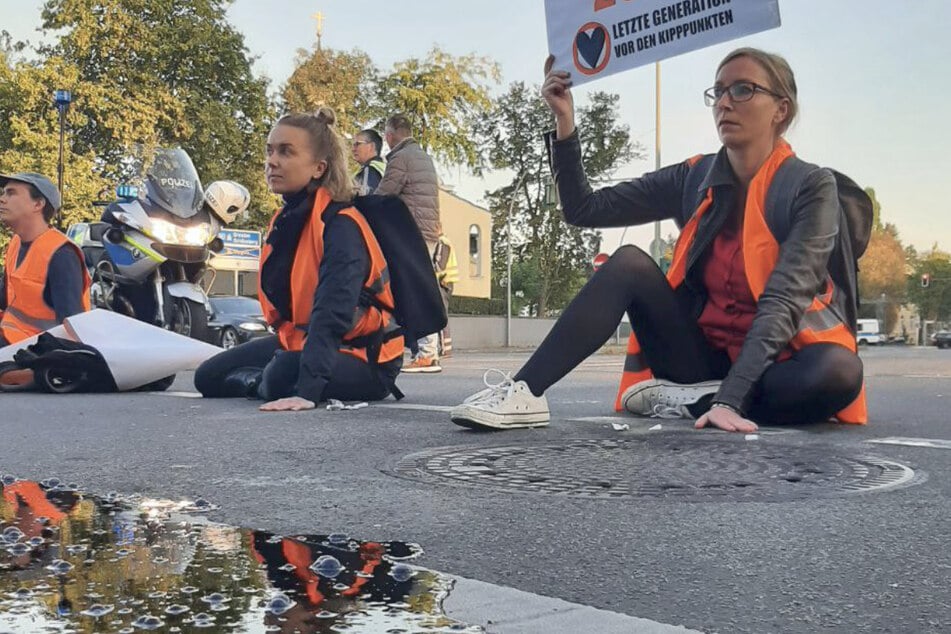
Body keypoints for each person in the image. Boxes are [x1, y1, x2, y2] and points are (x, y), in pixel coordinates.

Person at [450, 48, 866, 433]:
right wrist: (564, 122)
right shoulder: (694, 176)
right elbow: (585, 210)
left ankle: (703, 401)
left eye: (743, 90)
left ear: (781, 109)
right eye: (718, 91)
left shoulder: (809, 186)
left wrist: (732, 400)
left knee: (839, 371)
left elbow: (784, 299)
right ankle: (524, 392)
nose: (724, 102)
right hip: (698, 358)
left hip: (779, 362)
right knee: (630, 262)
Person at [194, 108, 403, 411]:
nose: (272, 161)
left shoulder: (340, 224)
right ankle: (260, 382)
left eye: (286, 152)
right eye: (270, 151)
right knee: (208, 377)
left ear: (318, 168)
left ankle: (268, 380)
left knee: (283, 373)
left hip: (365, 358)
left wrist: (308, 391)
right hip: (302, 341)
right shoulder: (287, 219)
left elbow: (332, 311)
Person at [375, 114, 443, 373]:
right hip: (429, 232)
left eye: (386, 135)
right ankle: (428, 351)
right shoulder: (423, 156)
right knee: (423, 287)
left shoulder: (401, 158)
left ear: (391, 135)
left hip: (411, 232)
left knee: (412, 290)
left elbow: (384, 195)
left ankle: (425, 353)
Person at [0, 172, 89, 347]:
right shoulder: (16, 243)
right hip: (9, 338)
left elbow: (72, 328)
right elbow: (7, 296)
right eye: (3, 193)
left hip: (34, 352)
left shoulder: (61, 254)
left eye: (11, 193)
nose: (2, 199)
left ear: (38, 204)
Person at [352, 129, 386, 196]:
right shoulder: (385, 168)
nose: (353, 149)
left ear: (372, 146)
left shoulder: (369, 170)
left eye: (357, 144)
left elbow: (365, 201)